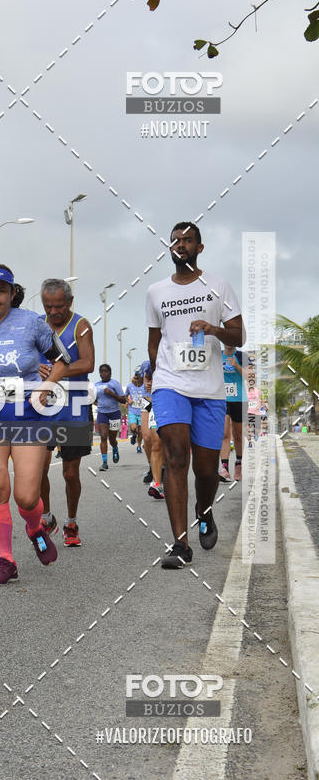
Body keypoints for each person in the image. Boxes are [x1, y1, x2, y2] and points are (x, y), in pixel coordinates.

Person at [0, 263, 71, 586]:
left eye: (1, 290)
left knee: (27, 497)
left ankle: (35, 528)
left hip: (28, 416)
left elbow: (62, 360)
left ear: (11, 292)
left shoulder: (32, 323)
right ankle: (6, 560)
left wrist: (46, 388)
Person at [146, 221, 244, 570]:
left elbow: (239, 335)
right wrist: (154, 373)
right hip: (170, 384)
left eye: (187, 240)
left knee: (205, 470)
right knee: (175, 456)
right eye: (175, 241)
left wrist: (212, 328)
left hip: (210, 389)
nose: (180, 245)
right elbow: (155, 340)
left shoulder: (218, 286)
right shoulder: (156, 292)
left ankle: (205, 513)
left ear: (199, 248)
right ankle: (180, 543)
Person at [38, 278, 95, 547]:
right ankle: (47, 516)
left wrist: (55, 372)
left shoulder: (80, 326)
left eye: (58, 306)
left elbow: (88, 363)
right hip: (43, 407)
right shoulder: (37, 325)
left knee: (70, 473)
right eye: (48, 306)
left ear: (70, 302)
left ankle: (71, 522)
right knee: (37, 469)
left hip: (74, 408)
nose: (53, 312)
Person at [219, 345, 246, 482]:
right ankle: (224, 468)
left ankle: (238, 463)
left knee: (237, 435)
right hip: (222, 398)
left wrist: (237, 365)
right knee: (224, 433)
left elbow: (251, 376)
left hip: (239, 398)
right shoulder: (218, 355)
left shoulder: (242, 356)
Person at [94, 364, 127, 470]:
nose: (103, 374)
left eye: (106, 372)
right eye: (101, 372)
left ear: (110, 373)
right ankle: (104, 463)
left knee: (112, 439)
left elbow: (123, 400)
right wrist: (98, 404)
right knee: (103, 436)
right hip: (102, 413)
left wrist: (112, 394)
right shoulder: (96, 385)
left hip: (114, 413)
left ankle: (115, 448)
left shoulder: (115, 384)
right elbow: (93, 398)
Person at [141, 366, 164, 499]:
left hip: (165, 399)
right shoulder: (146, 364)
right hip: (148, 400)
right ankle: (155, 479)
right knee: (148, 438)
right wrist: (148, 383)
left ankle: (162, 469)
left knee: (160, 441)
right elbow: (143, 380)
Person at [126, 371, 145, 453]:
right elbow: (125, 395)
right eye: (136, 377)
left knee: (141, 431)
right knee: (133, 428)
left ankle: (139, 446)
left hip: (142, 411)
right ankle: (134, 435)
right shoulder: (130, 386)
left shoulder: (145, 386)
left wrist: (144, 400)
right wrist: (128, 400)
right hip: (132, 410)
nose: (137, 379)